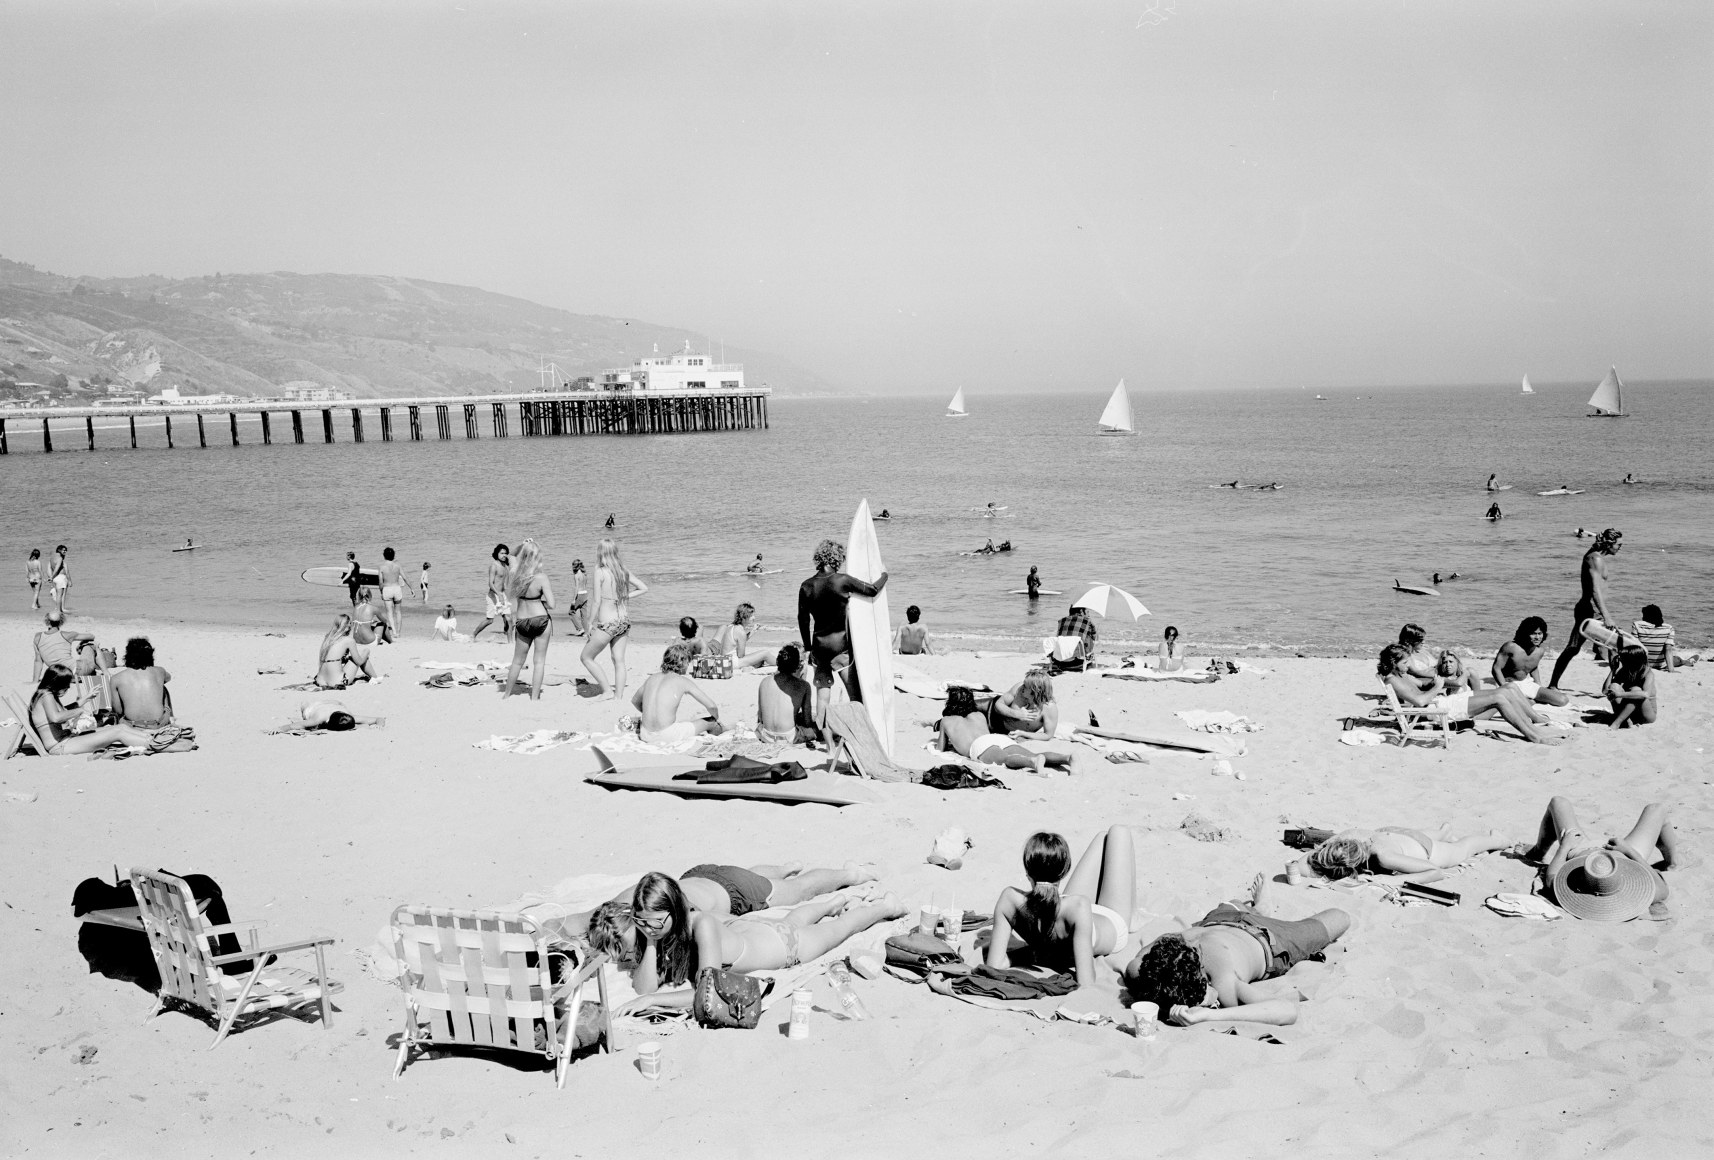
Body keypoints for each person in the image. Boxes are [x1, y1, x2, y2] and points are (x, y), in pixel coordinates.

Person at [611, 873, 906, 1009]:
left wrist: (653, 1000)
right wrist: (650, 942)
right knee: (794, 919)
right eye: (641, 921)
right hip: (757, 931)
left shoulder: (702, 925)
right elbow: (642, 987)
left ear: (675, 911)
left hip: (787, 946)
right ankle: (834, 901)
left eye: (656, 921)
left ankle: (886, 907)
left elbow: (707, 992)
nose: (649, 928)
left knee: (842, 928)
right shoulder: (661, 930)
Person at [1122, 874, 1350, 1027]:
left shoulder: (1141, 968)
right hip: (1269, 938)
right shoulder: (1153, 961)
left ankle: (1260, 909)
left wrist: (1211, 1012)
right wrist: (1209, 1014)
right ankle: (1260, 912)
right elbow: (1286, 1010)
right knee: (1339, 917)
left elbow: (1287, 1010)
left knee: (1231, 904)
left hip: (1215, 922)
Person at [987, 828, 1136, 989]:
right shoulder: (1079, 906)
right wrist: (1040, 953)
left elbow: (995, 963)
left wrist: (1036, 953)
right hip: (1111, 923)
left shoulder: (1008, 899)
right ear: (1062, 874)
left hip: (1067, 908)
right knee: (1118, 832)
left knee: (1103, 837)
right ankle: (1133, 917)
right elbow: (1086, 982)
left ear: (1028, 875)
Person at [1518, 797, 1673, 920]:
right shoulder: (1646, 894)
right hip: (1624, 856)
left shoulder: (1563, 888)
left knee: (1558, 802)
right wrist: (1629, 850)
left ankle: (1538, 851)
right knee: (1657, 810)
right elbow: (1662, 888)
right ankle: (1673, 859)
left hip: (1582, 852)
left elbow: (1552, 874)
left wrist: (1564, 846)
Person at [1379, 643, 1562, 744]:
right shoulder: (1393, 679)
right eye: (1404, 663)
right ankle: (1533, 736)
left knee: (1506, 689)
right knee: (1498, 698)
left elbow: (1419, 684)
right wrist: (1436, 687)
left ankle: (1535, 727)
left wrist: (1438, 682)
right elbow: (1419, 702)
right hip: (1437, 710)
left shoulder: (1399, 675)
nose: (1408, 666)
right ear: (1394, 662)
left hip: (1441, 702)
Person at [797, 539, 886, 727]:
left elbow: (803, 620)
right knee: (854, 694)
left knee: (823, 695)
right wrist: (884, 575)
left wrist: (808, 647)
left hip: (819, 648)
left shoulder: (806, 586)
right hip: (841, 647)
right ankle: (862, 726)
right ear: (837, 558)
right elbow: (872, 590)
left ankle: (822, 730)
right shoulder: (842, 581)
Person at [29, 665, 189, 756]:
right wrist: (79, 711)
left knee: (120, 728)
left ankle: (155, 738)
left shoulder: (45, 694)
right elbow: (57, 717)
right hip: (61, 746)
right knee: (117, 733)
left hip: (67, 739)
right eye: (66, 685)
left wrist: (84, 699)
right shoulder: (47, 696)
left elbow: (59, 713)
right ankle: (166, 746)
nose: (67, 688)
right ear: (57, 683)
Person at [1291, 824, 1513, 885]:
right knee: (1420, 837)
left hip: (1422, 849)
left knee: (1463, 848)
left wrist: (1396, 881)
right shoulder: (1346, 836)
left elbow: (1434, 872)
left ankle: (1498, 839)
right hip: (1397, 834)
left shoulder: (1384, 856)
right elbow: (1301, 864)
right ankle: (1443, 831)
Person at [1548, 528, 1623, 689]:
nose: (1620, 547)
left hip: (1594, 611)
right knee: (1574, 648)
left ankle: (1611, 685)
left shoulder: (1597, 556)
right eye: (1618, 544)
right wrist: (1607, 616)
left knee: (1614, 647)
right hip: (1589, 611)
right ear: (1609, 544)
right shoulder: (1594, 559)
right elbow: (1595, 590)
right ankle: (1553, 684)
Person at [938, 686, 1071, 773]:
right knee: (1033, 753)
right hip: (997, 738)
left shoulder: (946, 721)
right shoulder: (978, 715)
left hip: (980, 746)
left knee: (1006, 759)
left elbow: (940, 748)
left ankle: (1032, 763)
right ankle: (1067, 758)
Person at [581, 538, 647, 700]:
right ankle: (618, 696)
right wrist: (625, 596)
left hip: (608, 624)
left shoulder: (600, 571)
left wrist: (589, 623)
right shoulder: (622, 570)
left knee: (586, 657)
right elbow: (644, 588)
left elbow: (596, 601)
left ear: (600, 552)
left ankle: (607, 691)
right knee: (619, 660)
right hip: (623, 621)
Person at [632, 642, 723, 745]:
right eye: (688, 662)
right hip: (667, 736)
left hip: (645, 734)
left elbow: (635, 701)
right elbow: (711, 706)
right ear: (683, 662)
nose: (687, 666)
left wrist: (650, 713)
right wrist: (716, 718)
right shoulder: (682, 681)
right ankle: (719, 735)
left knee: (683, 723)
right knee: (712, 722)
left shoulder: (651, 678)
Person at [502, 538, 555, 700]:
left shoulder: (515, 575)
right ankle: (534, 698)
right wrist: (539, 601)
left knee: (517, 661)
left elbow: (510, 556)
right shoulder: (541, 577)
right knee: (539, 662)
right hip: (540, 618)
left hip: (522, 620)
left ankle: (506, 695)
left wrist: (522, 546)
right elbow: (552, 604)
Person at [1492, 617, 1571, 706]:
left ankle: (1532, 701)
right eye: (1533, 634)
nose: (1537, 637)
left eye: (1540, 633)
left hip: (1527, 684)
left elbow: (1533, 667)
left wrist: (1538, 685)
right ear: (1525, 634)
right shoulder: (1511, 647)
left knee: (1562, 700)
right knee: (1519, 705)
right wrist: (1504, 687)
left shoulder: (1540, 651)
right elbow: (1496, 668)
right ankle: (1530, 701)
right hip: (1509, 684)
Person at [757, 644, 817, 743]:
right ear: (796, 664)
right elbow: (807, 722)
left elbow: (760, 716)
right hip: (788, 737)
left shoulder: (764, 681)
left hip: (766, 735)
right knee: (815, 730)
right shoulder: (804, 686)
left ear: (778, 661)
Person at [108, 637, 174, 727]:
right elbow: (168, 678)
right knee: (163, 688)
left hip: (132, 726)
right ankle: (172, 718)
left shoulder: (116, 678)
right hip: (159, 724)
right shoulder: (159, 671)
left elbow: (118, 711)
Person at [1397, 623, 1474, 692]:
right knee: (1468, 673)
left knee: (1471, 671)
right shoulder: (1406, 657)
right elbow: (1418, 673)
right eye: (1420, 640)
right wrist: (1443, 674)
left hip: (1440, 674)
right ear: (1410, 640)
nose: (1423, 642)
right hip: (1431, 680)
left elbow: (1437, 663)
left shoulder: (1422, 651)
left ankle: (1476, 696)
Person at [32, 609, 96, 683]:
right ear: (61, 622)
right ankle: (105, 672)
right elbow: (91, 637)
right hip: (78, 669)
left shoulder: (38, 637)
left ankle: (73, 677)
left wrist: (35, 681)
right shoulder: (67, 635)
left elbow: (38, 661)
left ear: (47, 621)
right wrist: (81, 643)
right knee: (93, 645)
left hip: (62, 674)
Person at [990, 672, 1060, 739]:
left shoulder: (1049, 708)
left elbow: (1048, 735)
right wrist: (1016, 714)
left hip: (1008, 732)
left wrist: (1023, 734)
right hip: (992, 713)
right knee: (979, 706)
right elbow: (998, 704)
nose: (1022, 687)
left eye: (1025, 686)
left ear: (1035, 691)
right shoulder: (1018, 688)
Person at [1604, 641, 1657, 728]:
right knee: (1614, 686)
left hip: (1646, 715)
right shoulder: (1625, 671)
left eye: (1623, 659)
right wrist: (1613, 670)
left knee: (1636, 690)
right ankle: (1626, 720)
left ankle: (1617, 723)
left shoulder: (1648, 673)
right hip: (1630, 713)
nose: (1620, 661)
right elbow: (1606, 691)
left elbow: (1645, 694)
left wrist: (1619, 694)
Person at [316, 613, 374, 688]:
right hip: (337, 682)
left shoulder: (328, 638)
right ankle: (375, 677)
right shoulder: (349, 640)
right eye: (351, 624)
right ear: (348, 626)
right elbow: (359, 662)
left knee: (351, 658)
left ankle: (374, 677)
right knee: (363, 653)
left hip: (320, 681)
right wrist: (367, 652)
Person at [1632, 604, 1697, 671]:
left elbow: (1635, 646)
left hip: (1642, 664)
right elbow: (1668, 649)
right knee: (1676, 659)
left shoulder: (1637, 625)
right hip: (1660, 664)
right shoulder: (1668, 628)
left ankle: (1685, 661)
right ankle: (1687, 662)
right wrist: (1671, 670)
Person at [470, 543, 513, 640]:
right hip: (493, 595)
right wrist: (499, 594)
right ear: (497, 554)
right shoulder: (494, 566)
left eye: (505, 553)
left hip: (502, 595)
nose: (504, 555)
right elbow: (490, 584)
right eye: (501, 553)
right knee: (489, 620)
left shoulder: (506, 566)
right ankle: (473, 635)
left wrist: (506, 595)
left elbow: (504, 584)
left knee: (509, 619)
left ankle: (510, 642)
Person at [711, 603, 772, 670]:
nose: (754, 618)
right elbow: (741, 655)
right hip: (732, 663)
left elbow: (739, 641)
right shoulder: (740, 631)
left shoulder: (731, 626)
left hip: (724, 660)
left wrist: (753, 630)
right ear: (744, 617)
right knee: (765, 654)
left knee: (760, 660)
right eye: (751, 616)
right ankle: (782, 664)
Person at [271, 700, 385, 733]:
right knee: (305, 708)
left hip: (334, 703)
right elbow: (296, 725)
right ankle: (304, 704)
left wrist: (379, 725)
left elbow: (378, 719)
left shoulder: (349, 716)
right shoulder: (318, 719)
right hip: (314, 707)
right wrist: (280, 729)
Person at [375, 547, 413, 633]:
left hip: (387, 589)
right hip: (397, 589)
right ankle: (399, 632)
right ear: (394, 556)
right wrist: (411, 588)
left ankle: (394, 631)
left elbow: (380, 583)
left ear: (384, 556)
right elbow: (405, 578)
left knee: (389, 612)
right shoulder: (398, 566)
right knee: (398, 612)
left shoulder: (381, 567)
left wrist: (381, 592)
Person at [1052, 602, 1097, 668]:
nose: (1088, 614)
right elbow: (1095, 638)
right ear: (1081, 611)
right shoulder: (1087, 621)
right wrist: (1092, 625)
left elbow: (1057, 637)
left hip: (1059, 660)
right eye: (1087, 612)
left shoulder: (1061, 621)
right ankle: (1085, 657)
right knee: (1088, 637)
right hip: (1077, 661)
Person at [565, 559, 590, 636]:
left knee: (571, 612)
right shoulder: (584, 574)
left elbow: (576, 588)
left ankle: (579, 629)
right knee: (584, 615)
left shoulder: (576, 576)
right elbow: (585, 585)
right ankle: (586, 632)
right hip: (585, 594)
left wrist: (573, 599)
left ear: (575, 566)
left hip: (579, 595)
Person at [48, 544, 69, 615]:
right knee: (60, 595)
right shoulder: (60, 558)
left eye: (66, 550)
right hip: (60, 578)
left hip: (55, 578)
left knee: (58, 595)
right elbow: (56, 569)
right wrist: (51, 577)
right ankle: (59, 611)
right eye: (64, 550)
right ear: (59, 550)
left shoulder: (51, 558)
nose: (65, 551)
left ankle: (58, 609)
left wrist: (51, 577)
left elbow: (49, 568)